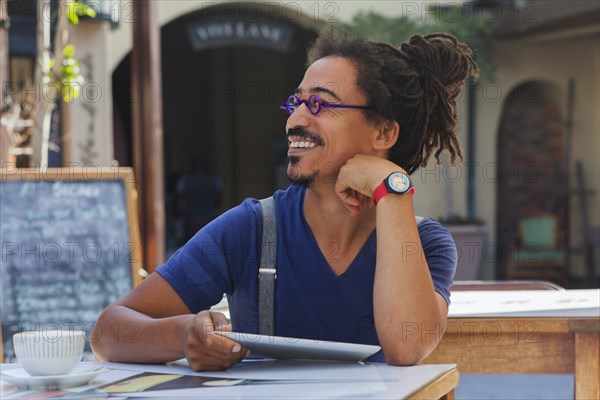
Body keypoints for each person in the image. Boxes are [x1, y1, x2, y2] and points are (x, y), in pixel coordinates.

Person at [91, 27, 478, 371]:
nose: (294, 120)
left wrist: (392, 188)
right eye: (296, 103)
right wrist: (182, 335)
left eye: (320, 104)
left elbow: (406, 347)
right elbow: (108, 332)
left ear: (383, 133)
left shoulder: (427, 244)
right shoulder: (252, 228)